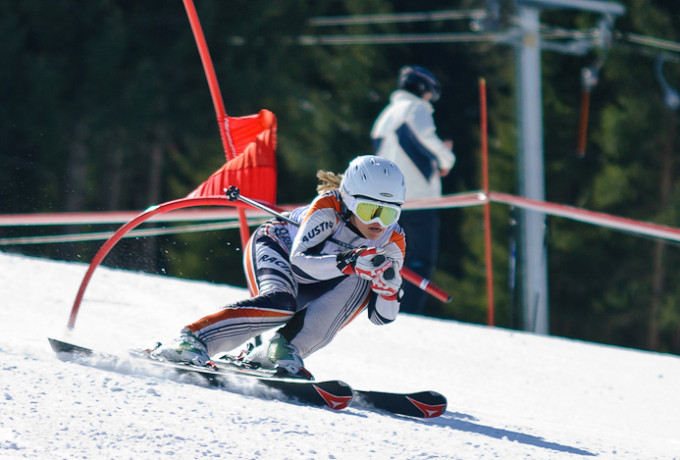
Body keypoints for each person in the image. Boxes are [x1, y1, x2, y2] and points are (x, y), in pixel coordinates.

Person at [153, 155, 406, 378]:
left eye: (389, 214)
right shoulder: (328, 208)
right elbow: (299, 265)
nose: (378, 222)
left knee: (365, 278)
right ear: (349, 201)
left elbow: (381, 318)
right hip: (277, 247)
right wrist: (348, 261)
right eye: (368, 210)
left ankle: (279, 350)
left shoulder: (393, 240)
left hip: (323, 273)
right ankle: (191, 340)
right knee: (281, 304)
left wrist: (389, 291)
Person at [370, 65, 456, 315]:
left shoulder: (385, 115)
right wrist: (446, 158)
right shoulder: (416, 109)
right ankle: (408, 315)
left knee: (389, 260)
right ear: (424, 89)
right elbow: (427, 140)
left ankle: (382, 309)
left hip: (387, 204)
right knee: (419, 262)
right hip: (418, 200)